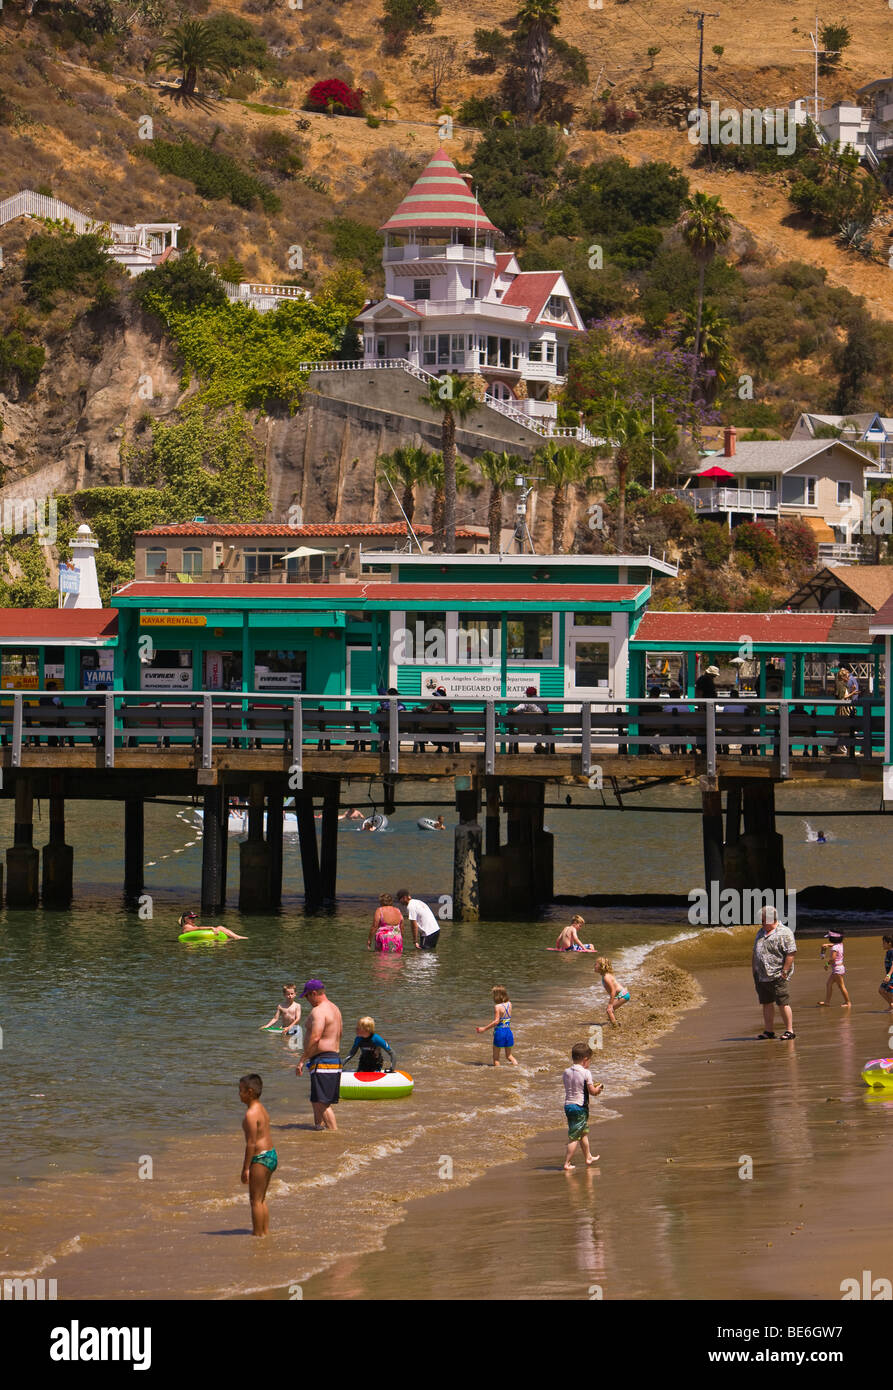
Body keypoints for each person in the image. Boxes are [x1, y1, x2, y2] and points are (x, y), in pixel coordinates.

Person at [295, 979, 343, 1131]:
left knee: (322, 1103)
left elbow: (315, 1037)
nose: (307, 1000)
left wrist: (302, 1060)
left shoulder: (319, 1011)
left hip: (324, 1060)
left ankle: (335, 1135)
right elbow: (339, 1034)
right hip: (331, 1060)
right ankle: (318, 1131)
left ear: (314, 993)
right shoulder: (335, 1008)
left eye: (307, 996)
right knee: (316, 1100)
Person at [239, 1073, 276, 1236]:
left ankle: (258, 1235)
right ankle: (264, 1232)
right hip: (271, 1155)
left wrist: (246, 1168)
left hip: (260, 1158)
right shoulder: (261, 1108)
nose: (238, 1094)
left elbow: (251, 1144)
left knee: (255, 1201)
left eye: (241, 1090)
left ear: (250, 1092)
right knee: (261, 1200)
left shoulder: (250, 1114)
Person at [752, 905, 796, 1040]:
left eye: (764, 920)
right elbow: (755, 952)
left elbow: (791, 952)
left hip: (777, 974)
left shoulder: (785, 932)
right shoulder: (761, 932)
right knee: (766, 1002)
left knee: (782, 1002)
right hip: (761, 975)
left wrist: (784, 971)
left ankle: (789, 1031)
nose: (762, 923)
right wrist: (754, 969)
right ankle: (769, 1031)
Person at [562, 1043, 604, 1171]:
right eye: (589, 1060)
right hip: (580, 1107)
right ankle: (567, 1163)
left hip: (568, 1105)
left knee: (583, 1132)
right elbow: (592, 1092)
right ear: (585, 1059)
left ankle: (588, 1156)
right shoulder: (586, 1073)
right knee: (574, 1136)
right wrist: (599, 1089)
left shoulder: (566, 1072)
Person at [476, 985, 517, 1065]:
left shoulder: (497, 1007)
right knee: (509, 1056)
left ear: (497, 996)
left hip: (500, 1033)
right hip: (508, 1032)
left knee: (496, 1058)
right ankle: (517, 1068)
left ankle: (498, 1074)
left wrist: (484, 1028)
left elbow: (496, 1021)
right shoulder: (510, 1004)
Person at [594, 957, 631, 1027]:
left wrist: (610, 1004)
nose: (594, 966)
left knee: (609, 1010)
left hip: (623, 995)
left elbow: (613, 990)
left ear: (601, 966)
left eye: (596, 964)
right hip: (622, 994)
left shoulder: (606, 977)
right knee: (611, 1010)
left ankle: (615, 1027)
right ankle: (614, 1022)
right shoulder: (605, 975)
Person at [819, 931, 851, 1007]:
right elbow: (834, 945)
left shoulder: (834, 948)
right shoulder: (840, 944)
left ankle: (848, 1002)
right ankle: (827, 1002)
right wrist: (827, 945)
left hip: (837, 969)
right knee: (829, 984)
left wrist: (826, 964)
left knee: (841, 986)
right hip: (838, 968)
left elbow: (832, 959)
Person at [178, 910, 246, 940]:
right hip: (191, 944)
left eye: (194, 917)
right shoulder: (186, 926)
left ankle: (235, 937)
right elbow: (198, 929)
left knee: (220, 928)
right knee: (219, 927)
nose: (193, 919)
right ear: (186, 919)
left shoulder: (192, 925)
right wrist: (211, 927)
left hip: (201, 940)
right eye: (191, 918)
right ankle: (236, 937)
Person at [879, 935, 893, 1011]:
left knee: (889, 992)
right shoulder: (888, 952)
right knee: (881, 990)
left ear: (889, 943)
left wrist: (889, 975)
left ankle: (892, 1006)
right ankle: (891, 1005)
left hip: (892, 976)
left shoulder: (892, 952)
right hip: (889, 976)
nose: (882, 945)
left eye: (884, 943)